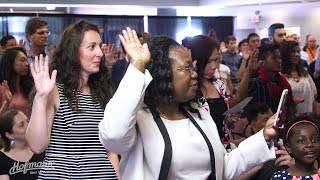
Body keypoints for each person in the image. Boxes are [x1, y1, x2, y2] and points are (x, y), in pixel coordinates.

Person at [99, 27, 278, 180]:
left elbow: (222, 168)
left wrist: (264, 136)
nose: (194, 74)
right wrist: (138, 64)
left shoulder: (199, 114)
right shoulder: (139, 120)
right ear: (164, 74)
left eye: (193, 68)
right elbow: (113, 137)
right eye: (187, 68)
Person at [25, 20, 119, 179]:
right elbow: (37, 146)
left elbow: (110, 150)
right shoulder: (54, 90)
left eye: (99, 46)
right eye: (92, 47)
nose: (100, 53)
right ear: (73, 52)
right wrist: (40, 98)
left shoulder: (103, 91)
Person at [186, 35, 236, 152]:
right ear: (196, 60)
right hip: (200, 151)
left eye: (216, 60)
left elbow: (221, 120)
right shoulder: (187, 87)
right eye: (209, 61)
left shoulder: (218, 84)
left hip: (223, 147)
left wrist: (228, 119)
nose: (214, 67)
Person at [272, 115, 320, 179]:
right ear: (289, 147)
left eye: (315, 140)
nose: (310, 144)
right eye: (301, 141)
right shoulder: (280, 177)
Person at [0, 109, 44, 180]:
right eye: (21, 125)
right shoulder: (2, 159)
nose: (29, 125)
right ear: (9, 135)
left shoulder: (42, 149)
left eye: (28, 121)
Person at [280, 40, 317, 114]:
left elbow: (314, 93)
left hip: (308, 116)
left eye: (298, 51)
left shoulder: (305, 74)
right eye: (293, 51)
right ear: (286, 54)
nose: (297, 54)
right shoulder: (280, 75)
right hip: (290, 118)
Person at [0, 47, 33, 117]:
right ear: (10, 63)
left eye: (27, 60)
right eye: (22, 60)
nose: (27, 64)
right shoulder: (2, 88)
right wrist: (7, 103)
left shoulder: (28, 85)